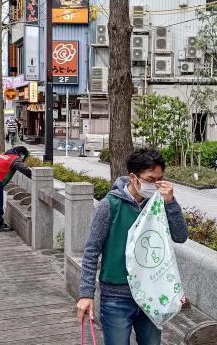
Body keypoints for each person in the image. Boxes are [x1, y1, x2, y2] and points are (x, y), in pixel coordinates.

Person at [76, 148, 188, 345]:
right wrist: (86, 294)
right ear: (133, 177)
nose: (156, 184)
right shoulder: (110, 205)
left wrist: (171, 202)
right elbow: (92, 251)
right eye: (151, 179)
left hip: (151, 294)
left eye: (160, 179)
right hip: (116, 298)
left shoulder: (159, 204)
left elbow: (180, 236)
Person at [0, 146, 31, 232]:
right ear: (21, 154)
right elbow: (25, 170)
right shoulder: (15, 158)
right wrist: (34, 176)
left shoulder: (5, 155)